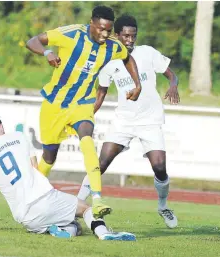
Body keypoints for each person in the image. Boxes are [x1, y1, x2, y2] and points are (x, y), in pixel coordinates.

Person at [25, 6, 142, 218]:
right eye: (101, 30)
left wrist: (137, 84)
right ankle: (30, 197)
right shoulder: (70, 34)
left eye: (108, 30)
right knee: (49, 157)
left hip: (83, 103)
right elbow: (32, 41)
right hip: (55, 104)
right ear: (92, 23)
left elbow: (127, 58)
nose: (105, 35)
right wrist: (47, 51)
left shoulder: (112, 46)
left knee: (87, 138)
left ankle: (97, 199)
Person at [77, 15, 179, 228]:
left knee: (160, 167)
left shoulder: (148, 53)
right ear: (117, 35)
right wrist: (86, 115)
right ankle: (77, 204)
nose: (130, 40)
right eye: (126, 36)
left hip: (150, 120)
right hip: (123, 122)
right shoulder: (108, 60)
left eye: (133, 36)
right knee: (100, 164)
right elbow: (101, 94)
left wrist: (173, 85)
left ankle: (163, 206)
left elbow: (171, 74)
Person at [0, 115, 136, 241]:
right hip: (44, 199)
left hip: (28, 219)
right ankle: (104, 234)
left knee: (75, 227)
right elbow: (36, 169)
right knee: (85, 208)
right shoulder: (18, 137)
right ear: (2, 127)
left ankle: (58, 231)